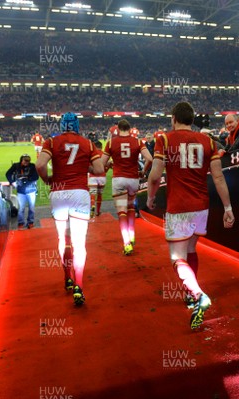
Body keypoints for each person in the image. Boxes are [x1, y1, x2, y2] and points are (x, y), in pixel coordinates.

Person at [147, 101, 235, 330]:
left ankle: (198, 295)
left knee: (177, 258)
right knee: (191, 250)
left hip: (179, 206)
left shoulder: (164, 139)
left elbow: (155, 176)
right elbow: (218, 178)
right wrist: (228, 208)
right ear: (192, 120)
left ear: (174, 118)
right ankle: (190, 295)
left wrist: (150, 197)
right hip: (201, 205)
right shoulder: (208, 141)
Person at [36, 112, 104, 306]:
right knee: (79, 242)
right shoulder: (87, 144)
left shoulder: (51, 141)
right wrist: (85, 168)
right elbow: (99, 169)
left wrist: (48, 179)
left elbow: (40, 164)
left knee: (63, 238)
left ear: (62, 125)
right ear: (77, 126)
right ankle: (79, 286)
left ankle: (67, 277)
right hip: (80, 194)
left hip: (58, 193)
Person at [99, 119, 153, 255]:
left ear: (118, 129)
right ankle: (132, 236)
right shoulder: (137, 141)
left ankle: (126, 243)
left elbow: (101, 163)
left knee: (121, 211)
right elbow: (149, 158)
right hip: (133, 180)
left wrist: (110, 165)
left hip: (119, 180)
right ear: (129, 129)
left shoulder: (111, 142)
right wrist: (143, 171)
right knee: (130, 208)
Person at [6, 154, 39, 229]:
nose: (27, 162)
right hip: (21, 191)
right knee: (21, 208)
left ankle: (30, 222)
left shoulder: (32, 166)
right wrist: (12, 182)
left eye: (28, 160)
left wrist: (28, 178)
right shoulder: (16, 166)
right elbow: (8, 174)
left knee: (31, 208)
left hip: (31, 190)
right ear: (21, 159)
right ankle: (21, 223)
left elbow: (36, 176)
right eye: (25, 160)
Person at [88, 141, 108, 218]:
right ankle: (98, 211)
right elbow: (106, 168)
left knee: (93, 194)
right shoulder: (104, 155)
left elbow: (88, 166)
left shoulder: (92, 154)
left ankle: (92, 206)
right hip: (102, 177)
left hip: (93, 177)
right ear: (101, 146)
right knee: (100, 194)